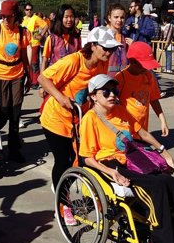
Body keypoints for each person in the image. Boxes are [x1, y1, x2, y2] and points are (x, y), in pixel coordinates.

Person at [79, 74, 174, 243]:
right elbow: (87, 158)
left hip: (134, 158)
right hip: (112, 163)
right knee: (156, 189)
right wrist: (111, 172)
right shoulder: (90, 119)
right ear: (93, 96)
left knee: (168, 182)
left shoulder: (121, 111)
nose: (112, 95)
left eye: (114, 91)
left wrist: (163, 150)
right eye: (105, 92)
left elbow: (141, 132)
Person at [38, 27, 117, 190]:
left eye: (112, 49)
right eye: (106, 48)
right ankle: (61, 201)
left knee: (78, 158)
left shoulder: (103, 63)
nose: (109, 53)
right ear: (93, 45)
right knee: (63, 159)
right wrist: (61, 98)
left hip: (78, 119)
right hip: (56, 118)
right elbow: (42, 78)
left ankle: (61, 187)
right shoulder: (73, 61)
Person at [0, 0, 31, 162]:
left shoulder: (22, 32)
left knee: (15, 113)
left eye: (9, 17)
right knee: (5, 111)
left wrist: (29, 75)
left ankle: (14, 149)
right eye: (3, 16)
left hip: (17, 75)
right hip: (0, 76)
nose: (6, 20)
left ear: (16, 16)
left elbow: (23, 56)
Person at [116, 42, 169, 136]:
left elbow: (154, 99)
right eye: (143, 65)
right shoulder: (121, 78)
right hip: (125, 130)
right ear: (133, 61)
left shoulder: (148, 76)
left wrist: (162, 120)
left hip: (143, 130)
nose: (145, 68)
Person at [40, 4, 82, 75]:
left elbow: (79, 58)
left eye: (71, 17)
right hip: (54, 77)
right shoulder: (52, 38)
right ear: (60, 18)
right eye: (66, 17)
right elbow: (45, 60)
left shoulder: (77, 38)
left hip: (71, 77)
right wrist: (42, 81)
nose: (69, 20)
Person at [22, 2, 48, 88]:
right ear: (24, 10)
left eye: (30, 9)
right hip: (25, 44)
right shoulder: (23, 19)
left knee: (34, 62)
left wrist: (41, 35)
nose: (29, 11)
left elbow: (46, 25)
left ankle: (35, 81)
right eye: (27, 9)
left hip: (34, 42)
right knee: (26, 63)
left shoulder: (36, 18)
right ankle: (29, 80)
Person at [104, 3, 128, 76]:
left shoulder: (124, 38)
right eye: (116, 17)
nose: (119, 20)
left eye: (122, 17)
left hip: (123, 79)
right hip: (106, 79)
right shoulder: (103, 35)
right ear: (109, 18)